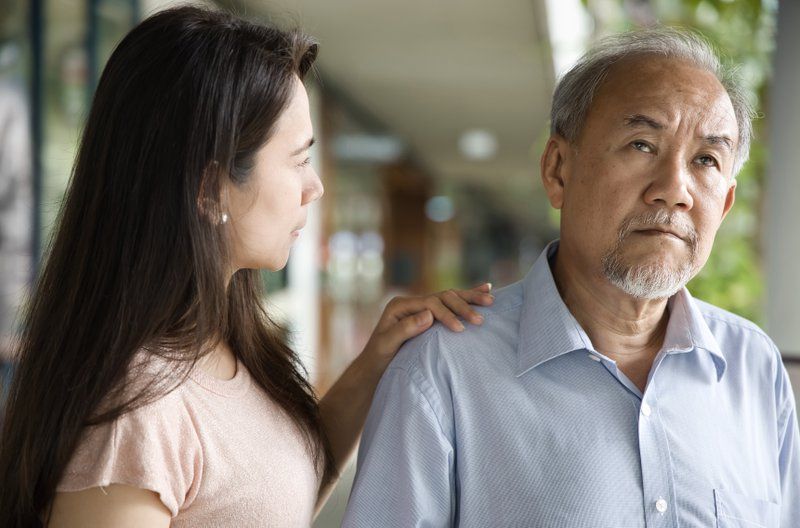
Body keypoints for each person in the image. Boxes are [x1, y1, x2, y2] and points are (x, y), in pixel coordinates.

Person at [0, 7, 494, 527]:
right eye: (299, 160)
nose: (315, 187)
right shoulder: (133, 416)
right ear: (211, 190)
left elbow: (266, 497)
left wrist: (376, 360)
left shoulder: (219, 342)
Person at [343, 28, 800, 527]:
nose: (674, 190)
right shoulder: (443, 370)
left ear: (726, 204)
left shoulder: (754, 368)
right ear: (558, 170)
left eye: (706, 160)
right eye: (642, 144)